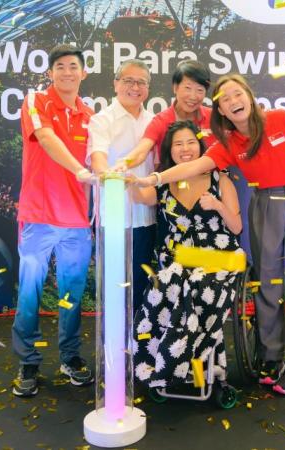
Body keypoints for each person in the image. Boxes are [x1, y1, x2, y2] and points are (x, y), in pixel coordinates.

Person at [135, 74, 285, 397]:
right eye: (225, 99)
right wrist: (155, 177)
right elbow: (192, 167)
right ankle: (270, 357)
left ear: (249, 97)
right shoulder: (227, 144)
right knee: (267, 282)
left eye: (237, 94)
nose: (233, 102)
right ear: (221, 111)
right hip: (265, 204)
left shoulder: (281, 117)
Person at [129, 120, 243, 391]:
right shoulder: (166, 184)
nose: (185, 148)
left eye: (190, 142)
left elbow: (236, 227)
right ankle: (159, 367)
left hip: (219, 257)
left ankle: (187, 365)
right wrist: (129, 176)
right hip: (179, 260)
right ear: (171, 151)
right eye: (178, 144)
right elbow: (139, 197)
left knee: (195, 285)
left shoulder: (220, 179)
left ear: (201, 145)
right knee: (165, 284)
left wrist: (216, 205)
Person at [12, 44, 96, 397]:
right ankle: (28, 360)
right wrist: (78, 168)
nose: (66, 72)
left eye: (72, 66)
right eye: (59, 66)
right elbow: (45, 138)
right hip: (39, 217)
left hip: (76, 223)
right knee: (30, 292)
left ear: (83, 73)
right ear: (50, 73)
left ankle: (69, 356)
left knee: (69, 295)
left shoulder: (90, 116)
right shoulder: (37, 102)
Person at [87, 59, 156, 315]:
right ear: (116, 83)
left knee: (142, 287)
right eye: (128, 80)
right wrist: (110, 174)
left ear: (148, 88)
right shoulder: (102, 120)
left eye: (141, 82)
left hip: (146, 218)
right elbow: (98, 158)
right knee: (115, 290)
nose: (135, 87)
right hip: (114, 218)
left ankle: (140, 348)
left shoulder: (154, 121)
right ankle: (114, 352)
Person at [115, 60, 215, 171]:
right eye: (188, 88)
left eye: (200, 90)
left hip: (211, 184)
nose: (193, 96)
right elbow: (141, 151)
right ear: (175, 88)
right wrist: (124, 163)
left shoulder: (214, 118)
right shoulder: (160, 121)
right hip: (172, 184)